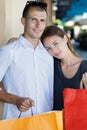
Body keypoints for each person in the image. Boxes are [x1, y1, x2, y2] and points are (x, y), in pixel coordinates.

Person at [0, 1, 54, 120]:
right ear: (23, 21)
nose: (38, 25)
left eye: (42, 20)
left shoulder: (48, 55)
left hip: (46, 122)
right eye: (33, 19)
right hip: (17, 122)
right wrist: (16, 100)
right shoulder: (9, 51)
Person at [41, 25, 87, 110]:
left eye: (55, 43)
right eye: (48, 48)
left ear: (65, 39)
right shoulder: (51, 66)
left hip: (78, 121)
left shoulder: (85, 68)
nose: (54, 50)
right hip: (54, 121)